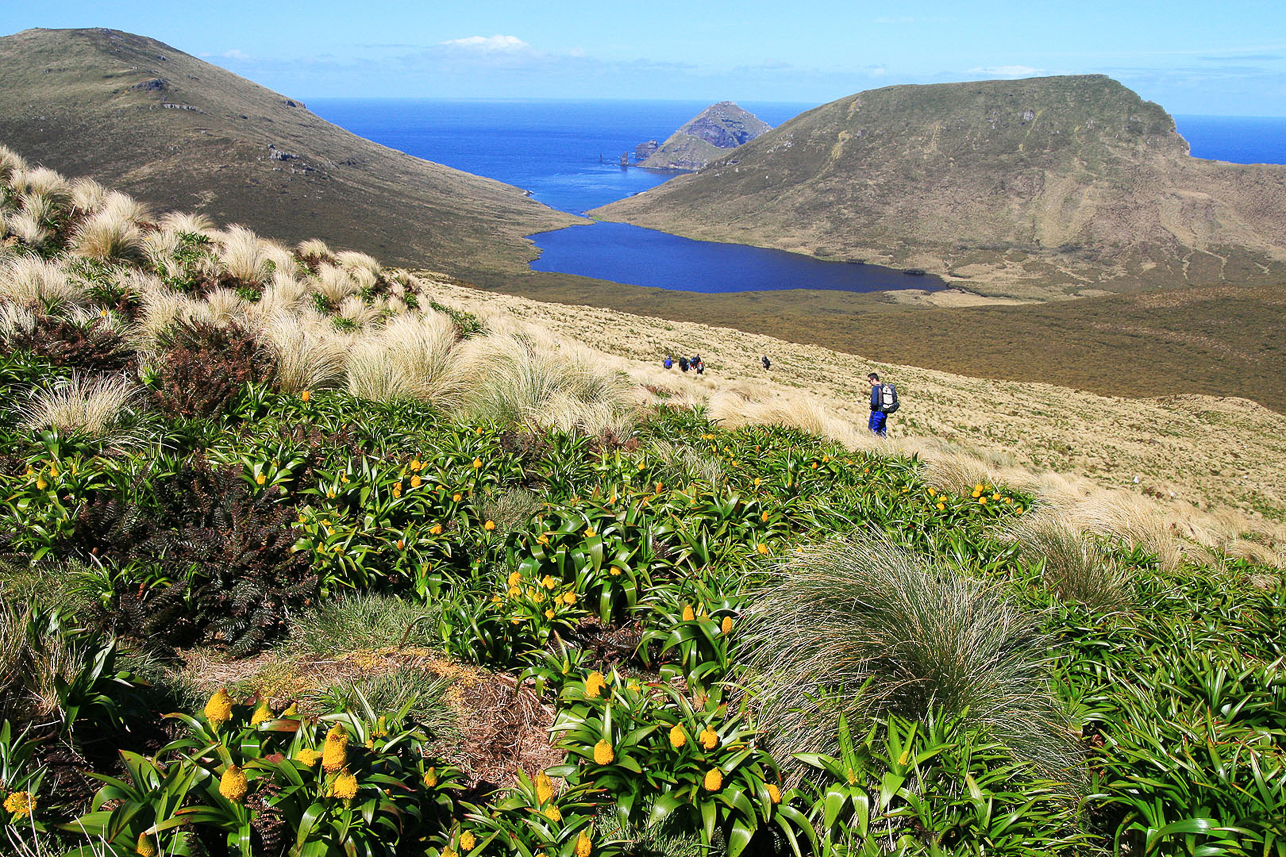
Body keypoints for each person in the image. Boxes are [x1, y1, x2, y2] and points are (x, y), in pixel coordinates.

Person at [867, 372, 896, 437]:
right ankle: (883, 443)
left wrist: (872, 406)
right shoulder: (884, 386)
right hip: (884, 411)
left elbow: (874, 402)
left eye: (869, 381)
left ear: (874, 379)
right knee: (882, 429)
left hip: (877, 412)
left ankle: (872, 444)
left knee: (872, 430)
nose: (869, 383)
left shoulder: (875, 388)